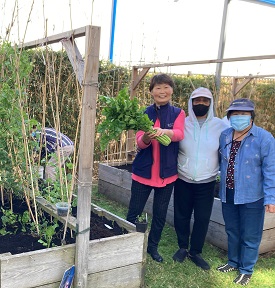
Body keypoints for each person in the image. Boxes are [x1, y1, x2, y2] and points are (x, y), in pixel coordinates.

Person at [126, 73, 185, 262]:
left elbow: (178, 134)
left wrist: (163, 131)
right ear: (151, 92)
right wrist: (146, 137)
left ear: (172, 90)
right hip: (143, 173)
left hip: (166, 175)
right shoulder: (144, 113)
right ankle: (129, 244)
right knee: (134, 212)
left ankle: (152, 247)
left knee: (159, 215)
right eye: (158, 88)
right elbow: (140, 143)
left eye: (166, 87)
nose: (162, 91)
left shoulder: (178, 113)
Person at [216, 98, 275, 286]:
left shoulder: (264, 138)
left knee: (250, 235)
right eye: (235, 114)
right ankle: (233, 262)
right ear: (229, 116)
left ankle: (246, 269)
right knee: (232, 231)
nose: (239, 117)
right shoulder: (225, 135)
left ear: (251, 116)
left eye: (243, 114)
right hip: (228, 193)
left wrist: (270, 197)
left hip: (252, 196)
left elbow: (270, 170)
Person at [173, 87, 229, 270]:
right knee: (181, 215)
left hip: (207, 180)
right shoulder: (182, 122)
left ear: (210, 103)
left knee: (202, 217)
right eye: (197, 100)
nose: (201, 104)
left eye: (205, 101)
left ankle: (195, 251)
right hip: (183, 178)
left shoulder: (220, 126)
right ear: (191, 102)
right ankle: (182, 247)